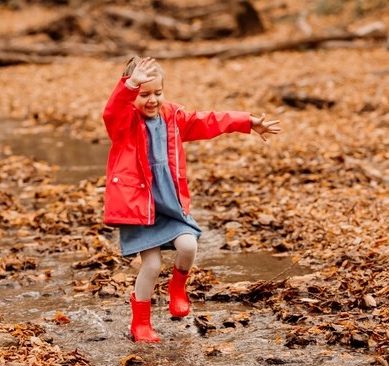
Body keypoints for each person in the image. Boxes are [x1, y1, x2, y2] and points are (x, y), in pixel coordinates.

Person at [102, 56, 280, 343]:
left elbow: (207, 120)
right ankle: (141, 323)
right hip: (140, 208)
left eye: (157, 93)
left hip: (169, 205)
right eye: (143, 94)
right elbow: (113, 110)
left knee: (188, 246)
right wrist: (129, 85)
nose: (152, 100)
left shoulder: (173, 117)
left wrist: (246, 122)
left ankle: (177, 288)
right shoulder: (124, 124)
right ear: (132, 93)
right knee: (151, 266)